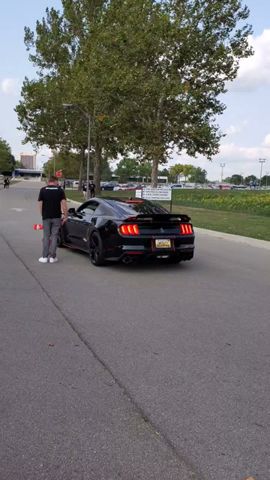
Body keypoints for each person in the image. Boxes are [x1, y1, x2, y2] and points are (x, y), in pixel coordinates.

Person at [38, 176, 68, 263]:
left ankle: (44, 257)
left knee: (46, 236)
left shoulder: (43, 190)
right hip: (56, 217)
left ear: (49, 181)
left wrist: (42, 214)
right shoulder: (60, 190)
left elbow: (40, 203)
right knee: (54, 236)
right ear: (55, 181)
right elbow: (64, 204)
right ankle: (52, 257)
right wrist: (65, 216)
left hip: (46, 217)